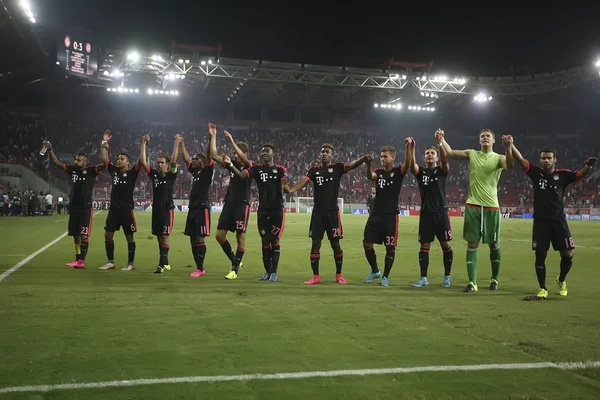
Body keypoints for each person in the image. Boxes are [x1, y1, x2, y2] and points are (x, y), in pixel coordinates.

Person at [508, 141, 597, 298]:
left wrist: (588, 166)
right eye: (543, 158)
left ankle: (561, 280)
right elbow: (520, 159)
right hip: (541, 222)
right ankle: (543, 288)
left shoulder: (563, 175)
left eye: (549, 158)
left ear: (555, 160)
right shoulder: (535, 173)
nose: (546, 160)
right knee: (540, 254)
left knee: (567, 255)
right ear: (540, 160)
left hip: (558, 221)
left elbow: (579, 175)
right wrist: (511, 145)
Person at [436, 129, 514, 293]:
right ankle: (472, 282)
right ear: (479, 141)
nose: (485, 138)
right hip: (473, 205)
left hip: (491, 206)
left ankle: (494, 279)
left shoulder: (499, 158)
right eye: (482, 136)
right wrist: (442, 140)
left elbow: (510, 165)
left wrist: (509, 147)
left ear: (493, 140)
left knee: (494, 244)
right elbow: (449, 152)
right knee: (472, 244)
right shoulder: (472, 154)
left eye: (488, 136)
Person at [285, 144, 367, 285]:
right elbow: (304, 182)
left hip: (332, 213)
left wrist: (362, 159)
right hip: (317, 213)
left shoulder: (337, 168)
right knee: (315, 243)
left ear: (331, 155)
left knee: (335, 244)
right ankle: (315, 276)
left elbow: (351, 165)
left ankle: (339, 275)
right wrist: (292, 189)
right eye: (322, 152)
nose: (324, 154)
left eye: (327, 152)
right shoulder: (314, 170)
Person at [225, 143, 290, 282]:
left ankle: (274, 272)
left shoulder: (280, 170)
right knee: (265, 241)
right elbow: (242, 175)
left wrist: (285, 188)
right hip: (263, 211)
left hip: (277, 210)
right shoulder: (256, 169)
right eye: (262, 151)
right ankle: (267, 271)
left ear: (274, 154)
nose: (264, 153)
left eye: (267, 151)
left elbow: (284, 184)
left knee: (275, 240)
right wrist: (230, 165)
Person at [42, 140, 106, 268]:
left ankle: (82, 261)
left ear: (85, 162)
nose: (76, 161)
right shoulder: (72, 170)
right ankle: (77, 259)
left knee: (83, 235)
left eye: (79, 160)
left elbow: (105, 164)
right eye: (76, 159)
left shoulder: (92, 171)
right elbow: (56, 162)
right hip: (74, 208)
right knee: (75, 236)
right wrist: (50, 149)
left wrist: (104, 145)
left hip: (85, 208)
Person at [362, 139, 412, 287]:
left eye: (385, 156)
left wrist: (408, 147)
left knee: (390, 246)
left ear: (393, 158)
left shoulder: (398, 172)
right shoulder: (378, 172)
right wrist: (368, 165)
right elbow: (370, 176)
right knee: (366, 243)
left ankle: (385, 276)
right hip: (375, 214)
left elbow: (408, 164)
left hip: (391, 216)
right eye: (381, 156)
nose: (382, 159)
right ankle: (375, 271)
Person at [410, 139, 453, 288]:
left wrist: (440, 145)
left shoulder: (441, 171)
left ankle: (447, 277)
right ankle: (423, 278)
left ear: (437, 157)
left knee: (445, 245)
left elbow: (445, 160)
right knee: (424, 246)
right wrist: (411, 147)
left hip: (441, 212)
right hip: (426, 214)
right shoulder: (420, 172)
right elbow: (412, 165)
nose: (429, 155)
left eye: (432, 153)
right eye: (427, 153)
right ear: (424, 157)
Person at [210, 128, 252, 280]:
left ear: (245, 154)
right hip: (229, 203)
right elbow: (214, 155)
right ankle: (235, 260)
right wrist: (212, 136)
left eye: (237, 152)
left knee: (240, 237)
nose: (235, 155)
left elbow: (241, 175)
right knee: (219, 236)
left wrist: (231, 141)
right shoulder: (230, 163)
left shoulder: (249, 165)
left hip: (242, 204)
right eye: (234, 153)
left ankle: (234, 270)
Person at [99, 130, 142, 271]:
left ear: (128, 163)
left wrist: (144, 144)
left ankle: (130, 263)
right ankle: (110, 262)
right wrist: (104, 142)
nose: (118, 160)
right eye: (118, 158)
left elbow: (141, 161)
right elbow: (104, 158)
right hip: (114, 210)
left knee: (129, 236)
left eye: (122, 159)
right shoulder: (114, 171)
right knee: (108, 234)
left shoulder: (132, 173)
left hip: (126, 210)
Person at [139, 134, 181, 273]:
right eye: (158, 162)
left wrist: (176, 144)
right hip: (156, 210)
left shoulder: (171, 175)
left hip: (167, 210)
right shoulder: (155, 175)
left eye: (162, 162)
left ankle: (161, 265)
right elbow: (144, 163)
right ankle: (166, 262)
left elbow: (174, 160)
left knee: (164, 236)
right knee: (158, 237)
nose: (159, 164)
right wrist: (144, 144)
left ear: (167, 165)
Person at [179, 128, 214, 278]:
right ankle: (198, 267)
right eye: (193, 159)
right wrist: (181, 145)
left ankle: (201, 268)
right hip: (192, 209)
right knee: (193, 238)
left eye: (196, 159)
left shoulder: (207, 171)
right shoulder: (194, 172)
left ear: (203, 162)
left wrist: (210, 137)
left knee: (200, 238)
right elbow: (186, 159)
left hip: (202, 208)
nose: (193, 161)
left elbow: (208, 155)